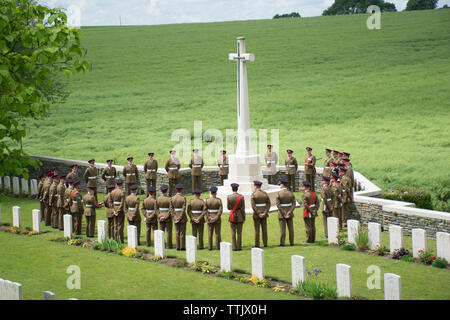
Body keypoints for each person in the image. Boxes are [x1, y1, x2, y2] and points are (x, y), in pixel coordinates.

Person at [276, 178, 296, 246]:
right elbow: (294, 204)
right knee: (291, 229)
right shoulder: (291, 193)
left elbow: (278, 205)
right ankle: (291, 242)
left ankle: (282, 242)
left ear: (282, 185)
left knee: (282, 230)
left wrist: (284, 213)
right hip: (289, 212)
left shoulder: (279, 194)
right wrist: (289, 212)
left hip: (282, 213)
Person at [251, 180, 270, 248]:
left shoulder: (254, 194)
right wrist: (265, 212)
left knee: (257, 230)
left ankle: (257, 244)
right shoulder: (265, 193)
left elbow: (253, 205)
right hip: (264, 213)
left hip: (257, 214)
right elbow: (268, 204)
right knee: (264, 229)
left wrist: (258, 213)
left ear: (256, 186)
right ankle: (265, 243)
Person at [227, 183, 245, 251]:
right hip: (240, 215)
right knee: (239, 233)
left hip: (232, 215)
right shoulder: (241, 197)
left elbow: (228, 207)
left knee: (233, 232)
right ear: (237, 189)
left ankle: (234, 247)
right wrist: (244, 218)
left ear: (232, 189)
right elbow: (243, 208)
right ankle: (239, 246)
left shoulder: (229, 197)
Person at [171, 184, 188, 250]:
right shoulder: (183, 198)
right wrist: (180, 217)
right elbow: (183, 209)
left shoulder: (172, 198)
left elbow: (171, 209)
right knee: (182, 233)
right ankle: (182, 246)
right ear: (181, 189)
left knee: (177, 232)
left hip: (175, 216)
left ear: (176, 189)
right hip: (182, 217)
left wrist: (175, 217)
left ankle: (178, 246)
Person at [156, 184, 173, 248]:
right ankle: (169, 245)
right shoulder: (169, 199)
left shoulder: (158, 199)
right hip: (167, 217)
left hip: (160, 217)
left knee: (161, 231)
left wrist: (160, 216)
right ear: (167, 190)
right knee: (168, 232)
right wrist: (165, 217)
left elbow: (156, 209)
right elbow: (170, 209)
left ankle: (161, 244)